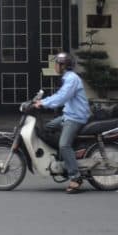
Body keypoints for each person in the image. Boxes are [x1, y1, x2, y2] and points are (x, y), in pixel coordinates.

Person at [34, 51, 91, 193]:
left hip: (76, 117)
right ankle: (62, 160)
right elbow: (59, 95)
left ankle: (76, 177)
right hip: (68, 115)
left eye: (56, 64)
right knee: (47, 128)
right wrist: (41, 101)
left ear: (63, 65)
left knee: (64, 144)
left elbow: (61, 97)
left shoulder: (72, 79)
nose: (55, 66)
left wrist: (43, 103)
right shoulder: (68, 77)